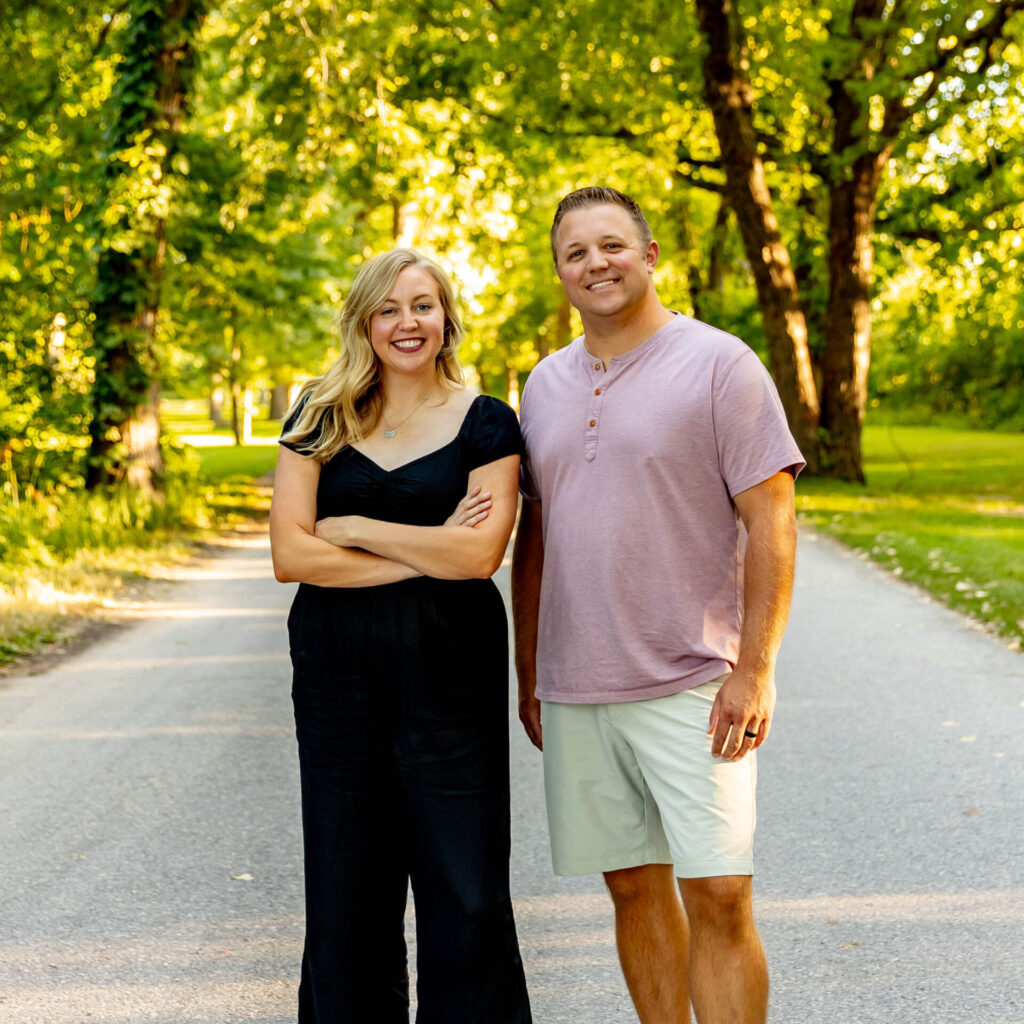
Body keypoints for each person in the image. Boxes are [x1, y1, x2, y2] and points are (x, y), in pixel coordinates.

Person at [511, 186, 804, 1024]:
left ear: (648, 256)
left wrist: (756, 670)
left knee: (720, 892)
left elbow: (773, 520)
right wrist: (528, 672)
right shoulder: (544, 385)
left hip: (694, 680)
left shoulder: (720, 365)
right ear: (560, 273)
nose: (595, 264)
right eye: (575, 253)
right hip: (578, 686)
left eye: (612, 245)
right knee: (633, 889)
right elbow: (537, 536)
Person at [269, 247, 532, 1024]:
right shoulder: (317, 415)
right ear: (364, 322)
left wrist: (354, 529)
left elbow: (478, 556)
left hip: (451, 673)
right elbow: (291, 557)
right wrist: (426, 550)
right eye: (387, 309)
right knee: (346, 888)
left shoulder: (488, 422)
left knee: (465, 887)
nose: (406, 323)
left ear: (446, 317)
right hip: (337, 675)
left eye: (421, 305)